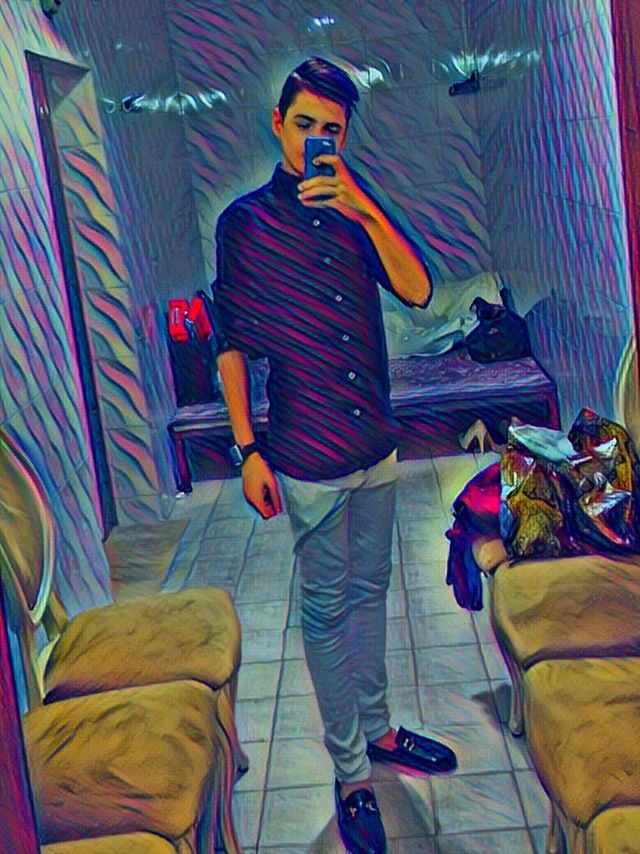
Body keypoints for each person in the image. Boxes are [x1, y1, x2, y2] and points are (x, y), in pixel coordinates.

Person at [212, 57, 457, 854]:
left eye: (332, 130)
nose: (317, 139)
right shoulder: (244, 226)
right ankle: (352, 773)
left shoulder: (357, 210)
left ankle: (380, 730)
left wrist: (366, 208)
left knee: (370, 590)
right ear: (277, 124)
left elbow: (418, 291)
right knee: (324, 611)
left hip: (374, 442)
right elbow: (231, 344)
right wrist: (247, 450)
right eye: (305, 124)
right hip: (307, 452)